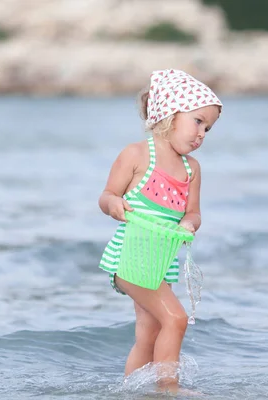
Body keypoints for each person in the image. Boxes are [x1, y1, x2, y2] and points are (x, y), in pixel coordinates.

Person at [97, 69, 222, 392]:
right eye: (198, 121)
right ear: (169, 114)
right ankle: (169, 388)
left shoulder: (191, 169)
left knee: (149, 332)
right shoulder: (137, 155)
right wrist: (115, 206)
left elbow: (193, 213)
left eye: (208, 128)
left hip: (161, 262)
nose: (202, 134)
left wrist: (188, 223)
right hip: (130, 257)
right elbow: (107, 195)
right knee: (176, 319)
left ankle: (132, 390)